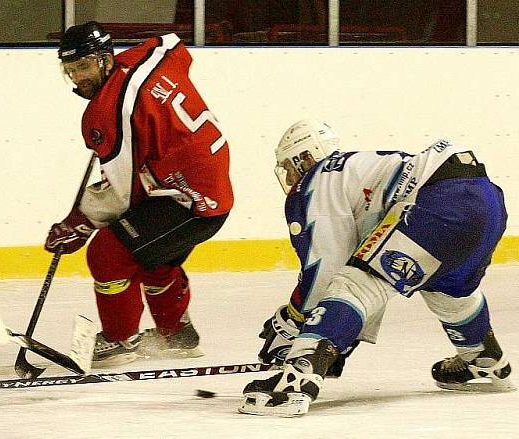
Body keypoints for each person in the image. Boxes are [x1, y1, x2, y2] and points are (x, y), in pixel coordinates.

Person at [240, 119, 513, 417]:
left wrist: (294, 325)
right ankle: (483, 360)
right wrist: (336, 341)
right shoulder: (355, 172)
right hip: (486, 199)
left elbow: (326, 270)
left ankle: (296, 379)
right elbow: (361, 263)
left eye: (289, 167)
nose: (290, 178)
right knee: (447, 289)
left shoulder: (316, 180)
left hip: (443, 200)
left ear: (305, 157)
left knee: (353, 285)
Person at [45, 22, 234, 367]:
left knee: (107, 253)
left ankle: (120, 340)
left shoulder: (106, 113)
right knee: (153, 254)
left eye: (84, 67)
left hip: (189, 200)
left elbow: (121, 195)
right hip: (205, 187)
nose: (78, 78)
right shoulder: (147, 57)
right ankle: (177, 335)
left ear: (105, 59)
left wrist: (79, 223)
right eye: (70, 70)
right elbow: (173, 45)